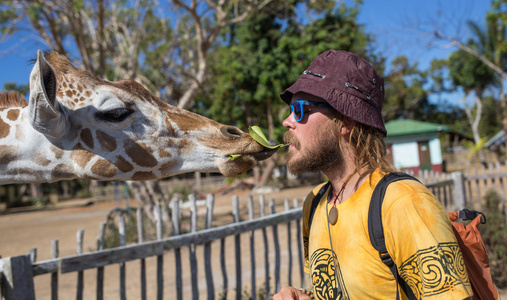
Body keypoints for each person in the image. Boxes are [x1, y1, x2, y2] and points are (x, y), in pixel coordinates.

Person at [273, 50, 473, 300]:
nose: (287, 121)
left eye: (300, 109)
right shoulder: (314, 204)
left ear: (345, 122)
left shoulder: (403, 202)